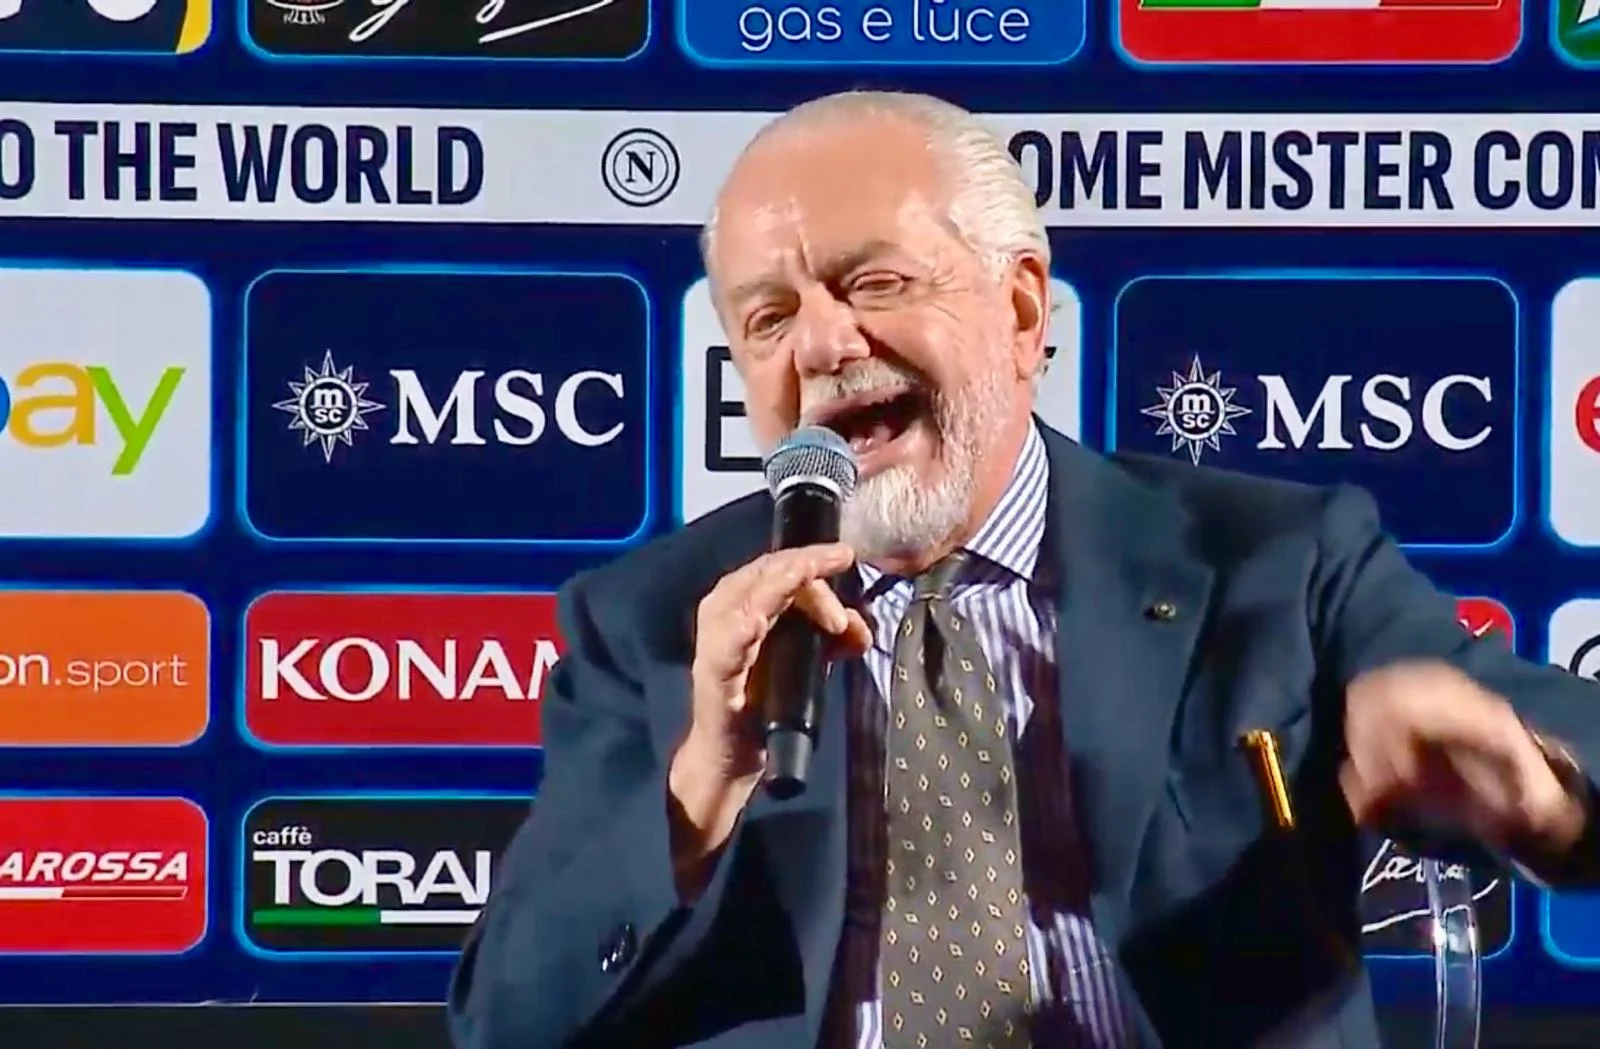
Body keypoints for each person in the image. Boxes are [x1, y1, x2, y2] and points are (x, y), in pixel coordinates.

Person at [446, 91, 1600, 1049]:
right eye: (767, 317)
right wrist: (700, 784)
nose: (822, 345)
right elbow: (507, 1018)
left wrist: (1538, 793)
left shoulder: (1278, 558)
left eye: (874, 283)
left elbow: (1572, 742)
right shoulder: (652, 620)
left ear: (1019, 305)